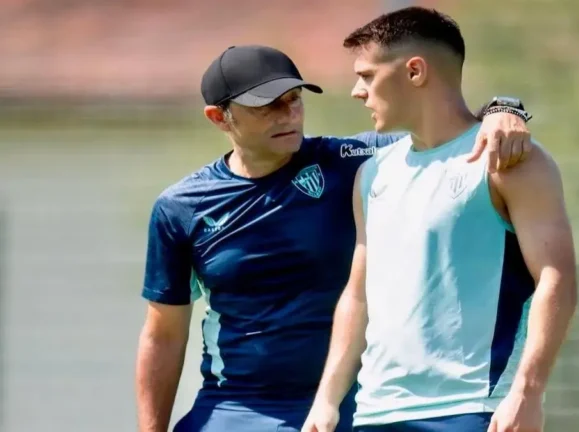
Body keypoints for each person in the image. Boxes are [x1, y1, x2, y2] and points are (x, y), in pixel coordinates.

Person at [135, 42, 536, 432]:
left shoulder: (355, 161)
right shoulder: (181, 208)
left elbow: (449, 132)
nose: (288, 114)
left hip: (356, 399)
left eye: (294, 99)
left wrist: (503, 109)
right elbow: (164, 335)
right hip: (239, 403)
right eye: (266, 106)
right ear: (219, 118)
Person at [302, 7, 577, 432]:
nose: (357, 91)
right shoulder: (372, 173)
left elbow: (556, 280)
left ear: (415, 71)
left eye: (368, 76)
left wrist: (526, 392)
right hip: (375, 413)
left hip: (474, 409)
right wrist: (326, 400)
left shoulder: (509, 160)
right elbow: (358, 295)